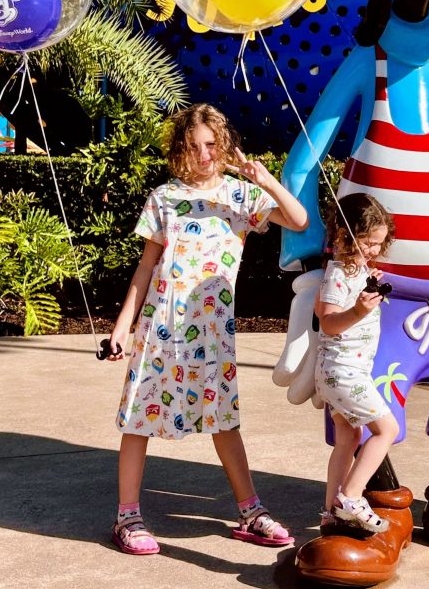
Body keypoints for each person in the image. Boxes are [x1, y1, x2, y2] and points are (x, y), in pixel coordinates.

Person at [106, 103, 308, 555]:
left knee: (224, 420)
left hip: (212, 331)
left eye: (212, 145)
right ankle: (127, 516)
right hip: (161, 325)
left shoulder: (241, 196)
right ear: (182, 149)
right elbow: (145, 267)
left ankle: (251, 511)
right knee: (140, 417)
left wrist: (264, 178)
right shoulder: (164, 197)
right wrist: (123, 325)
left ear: (225, 145)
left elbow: (298, 220)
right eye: (194, 146)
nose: (204, 154)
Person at [315, 193, 399, 533]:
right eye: (366, 243)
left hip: (341, 372)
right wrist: (358, 310)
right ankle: (350, 496)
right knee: (386, 430)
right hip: (343, 372)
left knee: (348, 438)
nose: (373, 250)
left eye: (379, 244)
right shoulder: (337, 274)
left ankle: (330, 511)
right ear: (344, 236)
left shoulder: (353, 270)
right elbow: (329, 322)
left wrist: (365, 277)